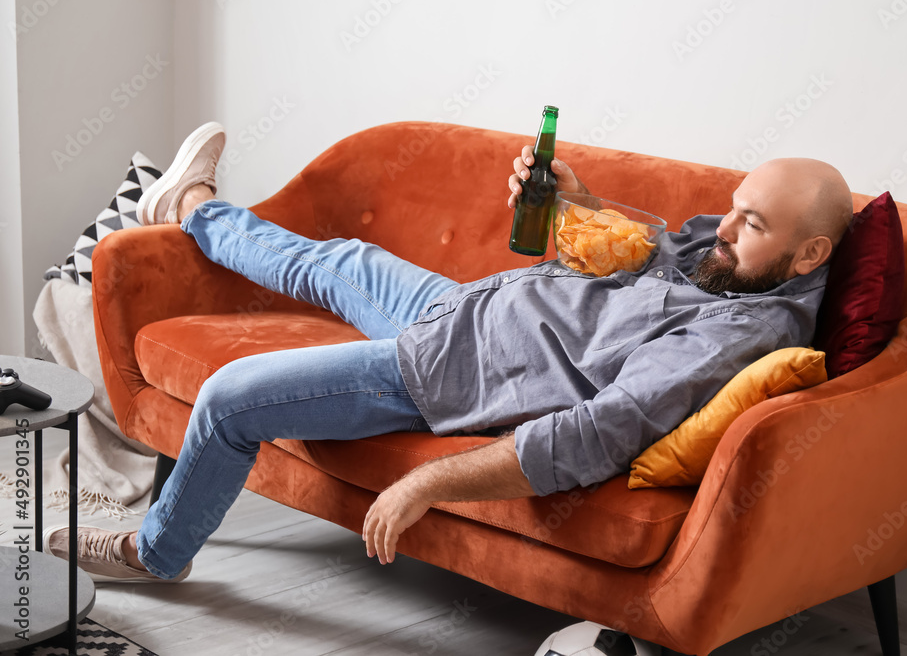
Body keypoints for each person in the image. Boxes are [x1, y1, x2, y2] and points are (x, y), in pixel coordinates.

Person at [44, 121, 853, 581]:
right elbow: (647, 249)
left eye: (753, 223)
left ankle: (156, 552)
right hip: (463, 305)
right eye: (736, 206)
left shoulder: (739, 335)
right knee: (335, 260)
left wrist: (428, 480)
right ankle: (190, 202)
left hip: (444, 373)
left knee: (227, 398)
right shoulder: (725, 255)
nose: (726, 226)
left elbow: (600, 430)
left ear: (810, 255)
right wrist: (578, 201)